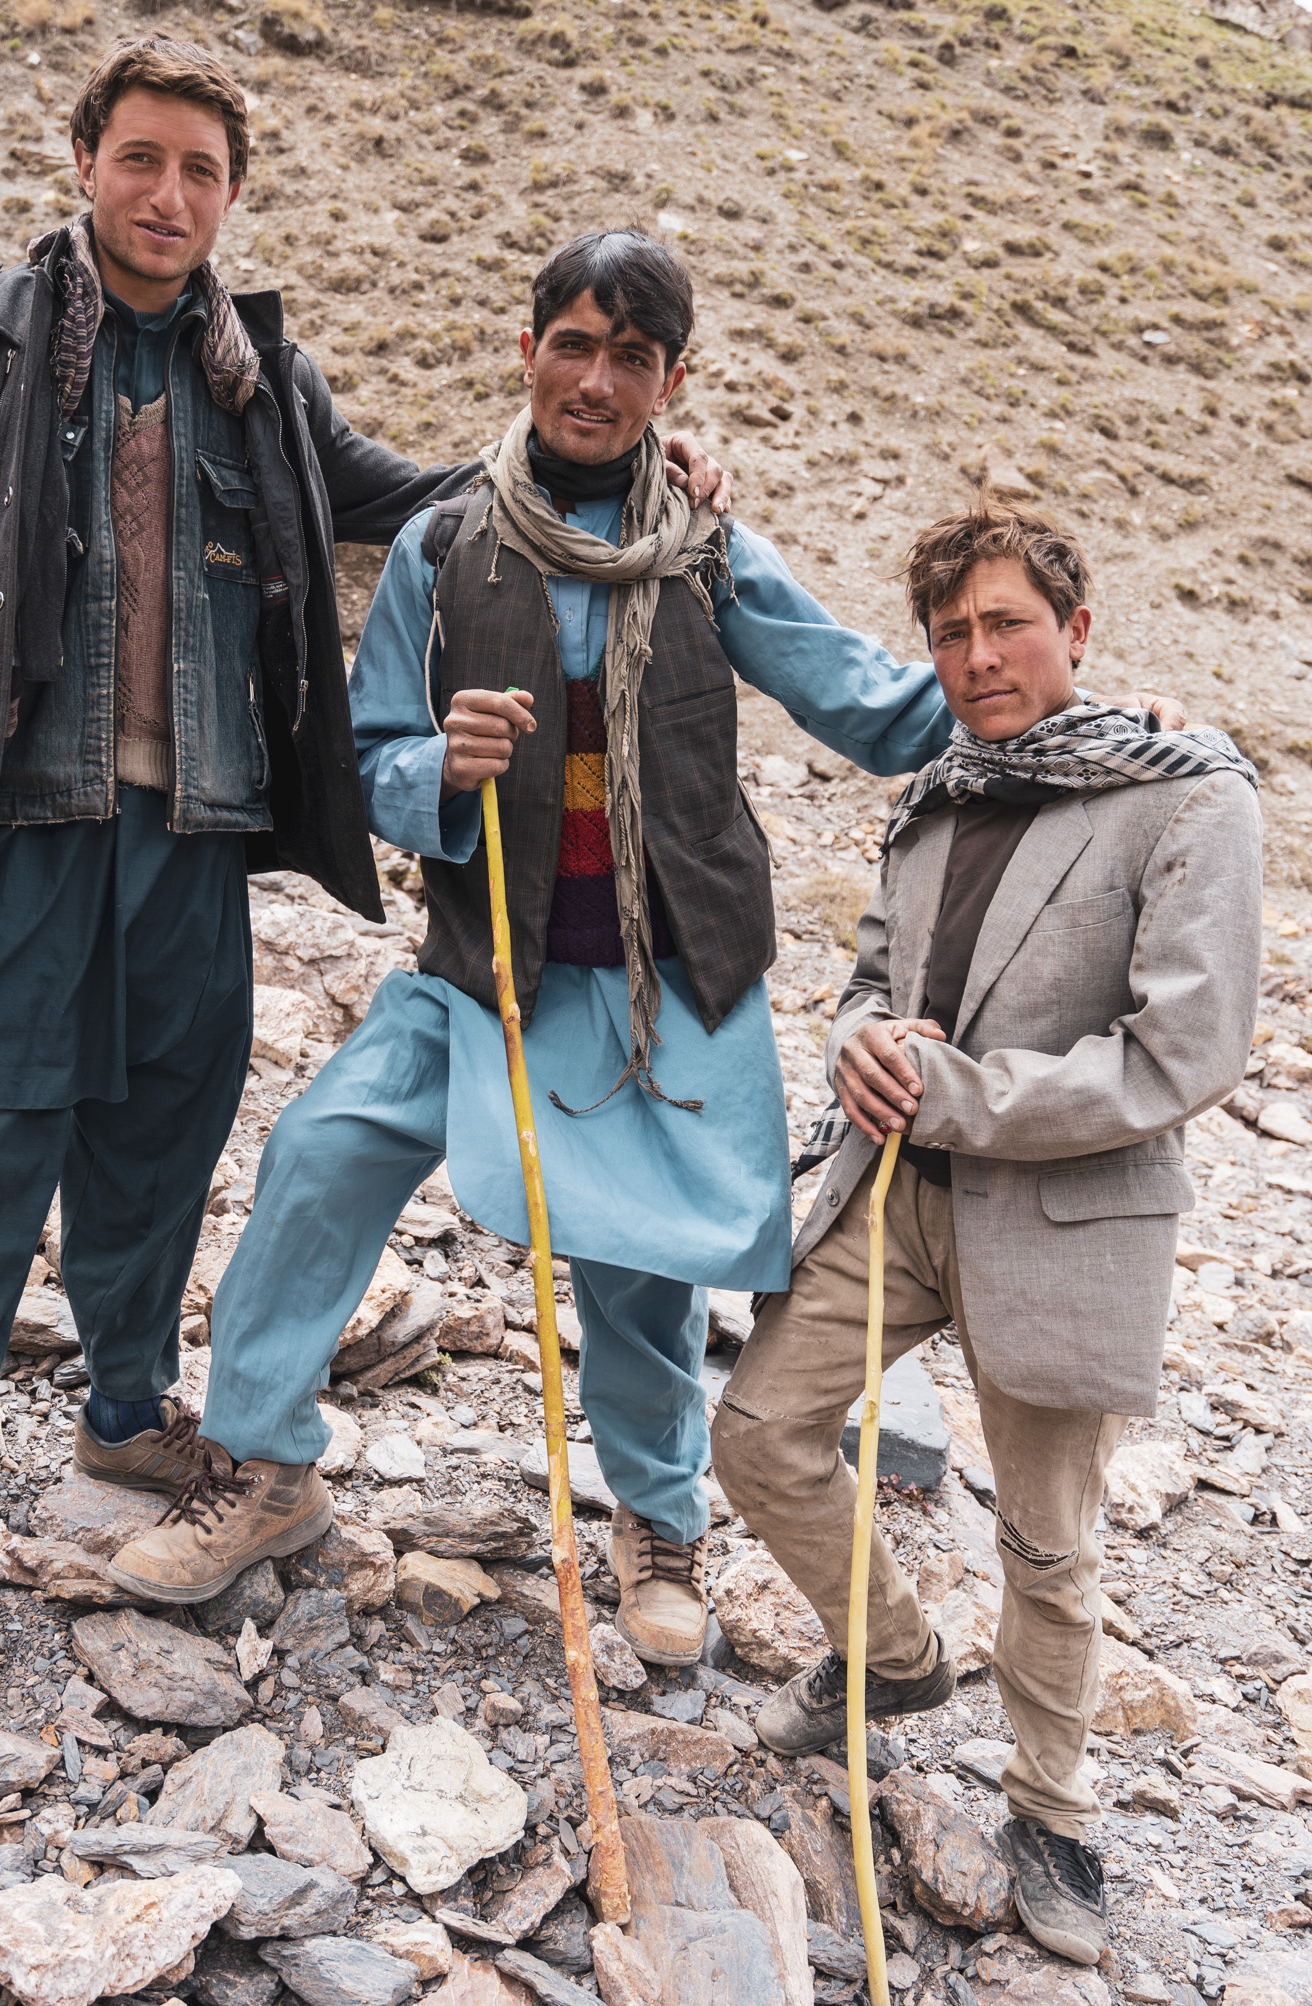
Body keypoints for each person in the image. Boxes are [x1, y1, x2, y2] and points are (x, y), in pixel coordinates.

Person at [0, 38, 729, 1739]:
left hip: (197, 841)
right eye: (142, 160)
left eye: (202, 172)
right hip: (12, 834)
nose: (168, 197)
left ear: (230, 196)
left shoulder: (259, 374)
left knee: (154, 1141)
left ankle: (127, 1410)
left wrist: (635, 470)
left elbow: (427, 505)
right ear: (83, 162)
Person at [99, 234, 1182, 1665]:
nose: (593, 380)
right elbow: (366, 758)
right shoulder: (442, 544)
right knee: (322, 1156)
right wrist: (441, 765)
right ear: (527, 348)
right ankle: (264, 1469)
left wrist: (1060, 716)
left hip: (660, 983)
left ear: (675, 381)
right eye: (573, 344)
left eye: (630, 356)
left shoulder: (709, 549)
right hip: (481, 970)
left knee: (644, 1259)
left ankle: (656, 1518)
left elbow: (863, 701)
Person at [710, 498, 1261, 1965]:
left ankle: (1052, 1810)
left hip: (1062, 1216)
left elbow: (1183, 1054)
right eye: (949, 632)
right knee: (759, 1431)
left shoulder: (1189, 794)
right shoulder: (933, 796)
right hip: (892, 1200)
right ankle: (890, 1664)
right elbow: (872, 979)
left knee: (1046, 1545)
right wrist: (852, 1048)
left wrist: (953, 1089)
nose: (974, 654)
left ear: (1074, 631)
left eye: (1005, 622)